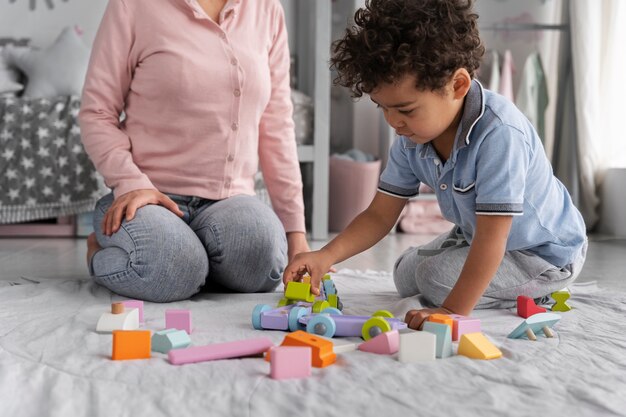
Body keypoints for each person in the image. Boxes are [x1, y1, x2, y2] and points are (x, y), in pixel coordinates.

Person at [283, 0, 587, 329]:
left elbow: (492, 239)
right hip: (477, 237)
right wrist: (324, 256)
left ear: (457, 85)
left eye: (406, 110)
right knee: (404, 273)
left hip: (541, 255)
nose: (393, 122)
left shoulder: (501, 134)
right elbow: (379, 214)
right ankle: (475, 282)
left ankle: (535, 289)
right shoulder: (412, 139)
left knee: (433, 279)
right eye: (382, 108)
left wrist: (453, 312)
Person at [79, 0, 310, 302]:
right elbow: (96, 112)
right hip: (147, 197)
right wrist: (130, 182)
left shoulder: (266, 9)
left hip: (228, 201)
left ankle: (193, 261)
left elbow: (277, 125)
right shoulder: (132, 6)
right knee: (171, 271)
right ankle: (99, 253)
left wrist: (297, 235)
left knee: (263, 266)